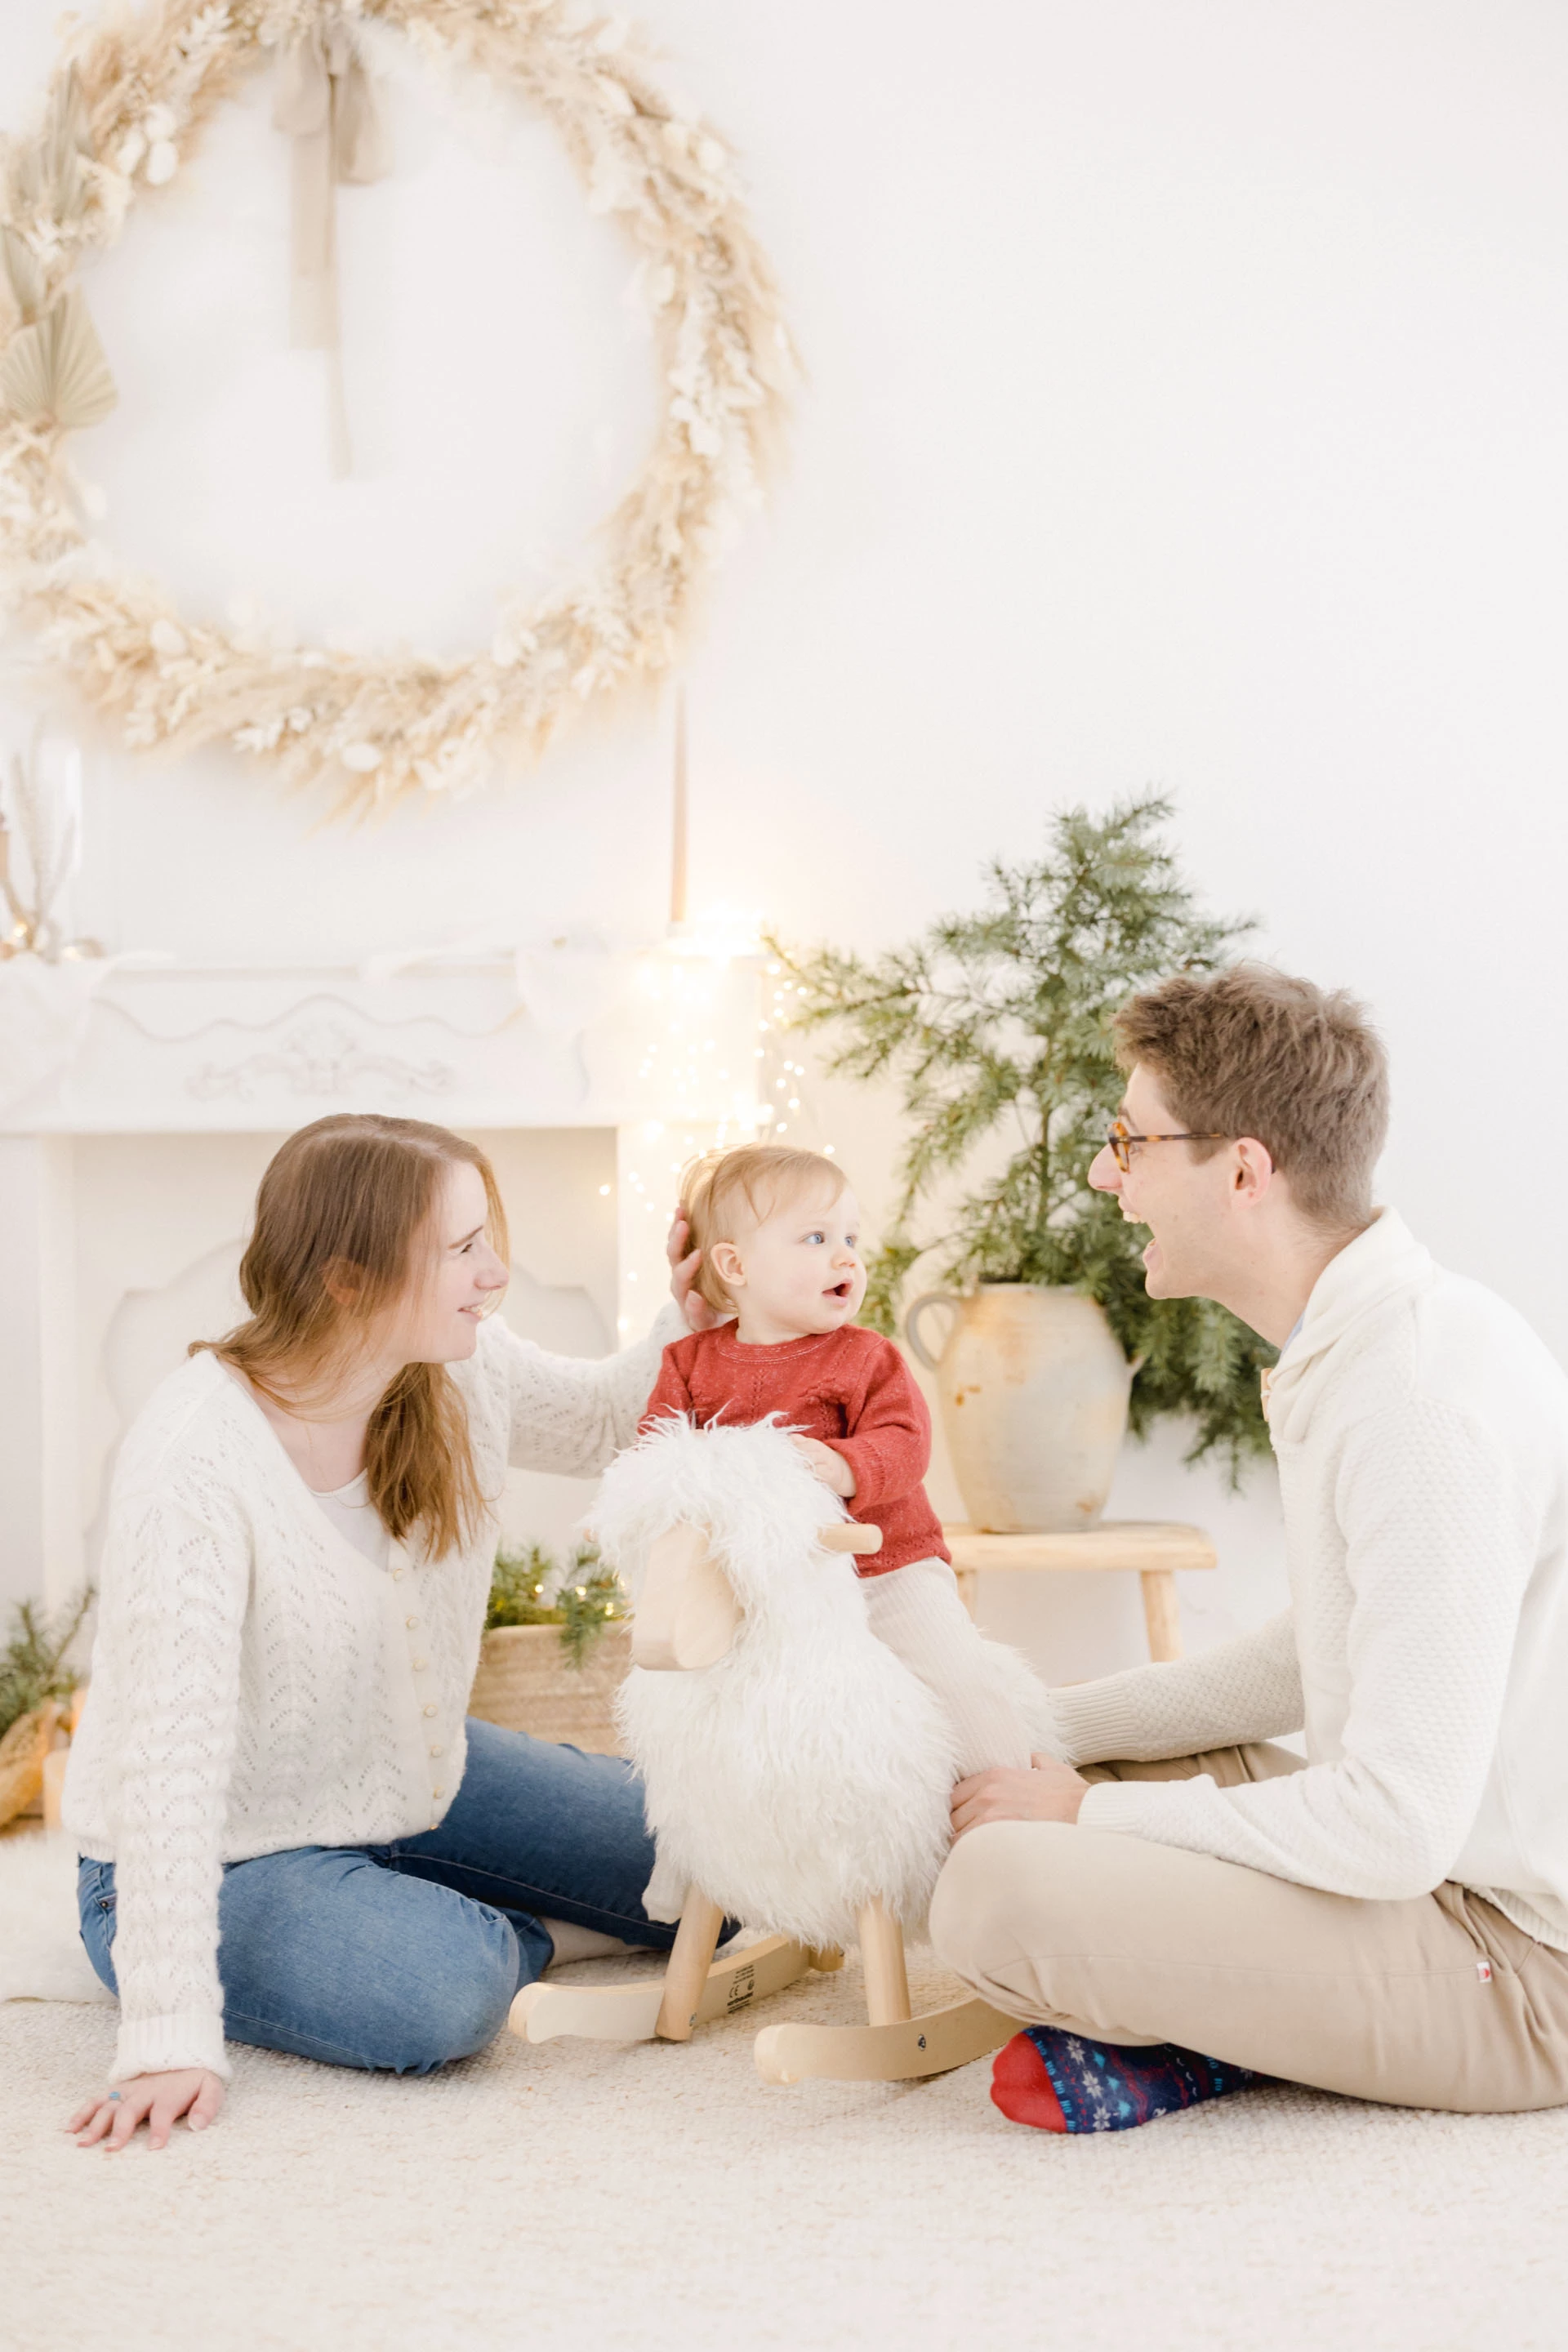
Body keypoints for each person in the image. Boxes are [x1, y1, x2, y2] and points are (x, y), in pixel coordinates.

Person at [930, 965, 1568, 2132]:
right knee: (1047, 1785)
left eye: (1131, 1141)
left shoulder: (1417, 1403)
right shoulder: (1367, 1341)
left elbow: (1393, 1825)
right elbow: (1303, 1658)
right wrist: (1046, 1730)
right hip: (1428, 1879)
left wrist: (1080, 1818)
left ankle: (1218, 2036)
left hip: (1517, 1962)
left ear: (1242, 1169)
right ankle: (1221, 2013)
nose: (1103, 1175)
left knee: (997, 1889)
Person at [63, 1111, 717, 2153]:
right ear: (347, 1280)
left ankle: (408, 1896)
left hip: (402, 1775)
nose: (494, 1273)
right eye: (461, 1249)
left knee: (709, 1855)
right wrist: (166, 2028)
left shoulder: (459, 1366)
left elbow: (603, 1421)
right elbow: (168, 1767)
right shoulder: (194, 1457)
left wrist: (687, 1321)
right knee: (440, 1992)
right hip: (224, 1848)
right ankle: (450, 1923)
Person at [641, 1143, 1045, 1779]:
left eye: (851, 1237)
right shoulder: (689, 1363)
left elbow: (906, 1440)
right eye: (815, 1236)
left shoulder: (865, 1356)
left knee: (960, 1682)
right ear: (734, 1264)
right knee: (736, 1733)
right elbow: (659, 1455)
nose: (845, 1256)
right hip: (771, 1587)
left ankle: (1006, 1789)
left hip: (886, 1570)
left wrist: (845, 1465)